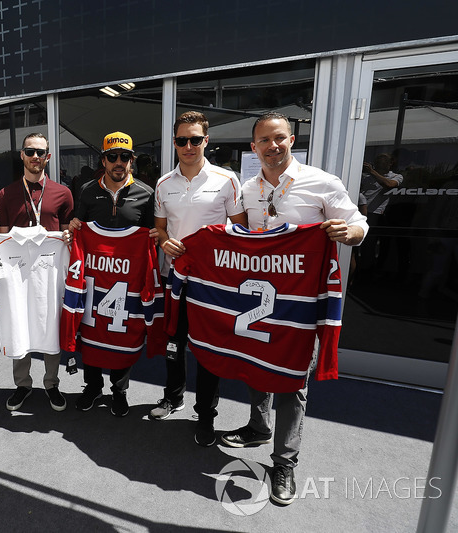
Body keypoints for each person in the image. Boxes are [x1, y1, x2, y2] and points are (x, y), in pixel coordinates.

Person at [220, 112, 368, 505]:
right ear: (253, 147)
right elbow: (236, 239)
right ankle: (257, 426)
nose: (273, 146)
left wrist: (347, 232)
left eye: (280, 138)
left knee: (292, 383)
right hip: (260, 302)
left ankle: (284, 461)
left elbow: (358, 226)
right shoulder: (247, 190)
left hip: (302, 305)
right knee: (255, 366)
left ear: (292, 140)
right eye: (264, 140)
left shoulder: (323, 182)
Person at [149, 112, 247, 449]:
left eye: (195, 139)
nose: (188, 146)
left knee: (207, 351)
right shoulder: (164, 184)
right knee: (174, 345)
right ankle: (172, 398)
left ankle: (205, 414)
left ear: (206, 140)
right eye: (181, 140)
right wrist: (163, 241)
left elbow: (240, 230)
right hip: (175, 279)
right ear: (174, 143)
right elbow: (160, 228)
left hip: (212, 285)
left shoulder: (226, 179)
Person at [69, 131, 154, 416]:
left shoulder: (146, 194)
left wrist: (153, 237)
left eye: (125, 157)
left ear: (131, 159)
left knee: (124, 332)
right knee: (91, 330)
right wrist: (75, 229)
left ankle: (120, 390)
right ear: (103, 160)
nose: (119, 162)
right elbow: (79, 226)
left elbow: (152, 235)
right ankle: (92, 387)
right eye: (112, 157)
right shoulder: (87, 190)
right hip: (95, 279)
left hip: (126, 281)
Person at [0, 133, 73, 412]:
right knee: (20, 320)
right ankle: (23, 385)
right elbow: (2, 237)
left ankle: (51, 383)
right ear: (22, 155)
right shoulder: (6, 194)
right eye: (30, 151)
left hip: (49, 272)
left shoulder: (63, 193)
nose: (35, 157)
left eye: (41, 152)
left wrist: (67, 239)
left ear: (48, 157)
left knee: (50, 322)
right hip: (18, 272)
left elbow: (67, 234)